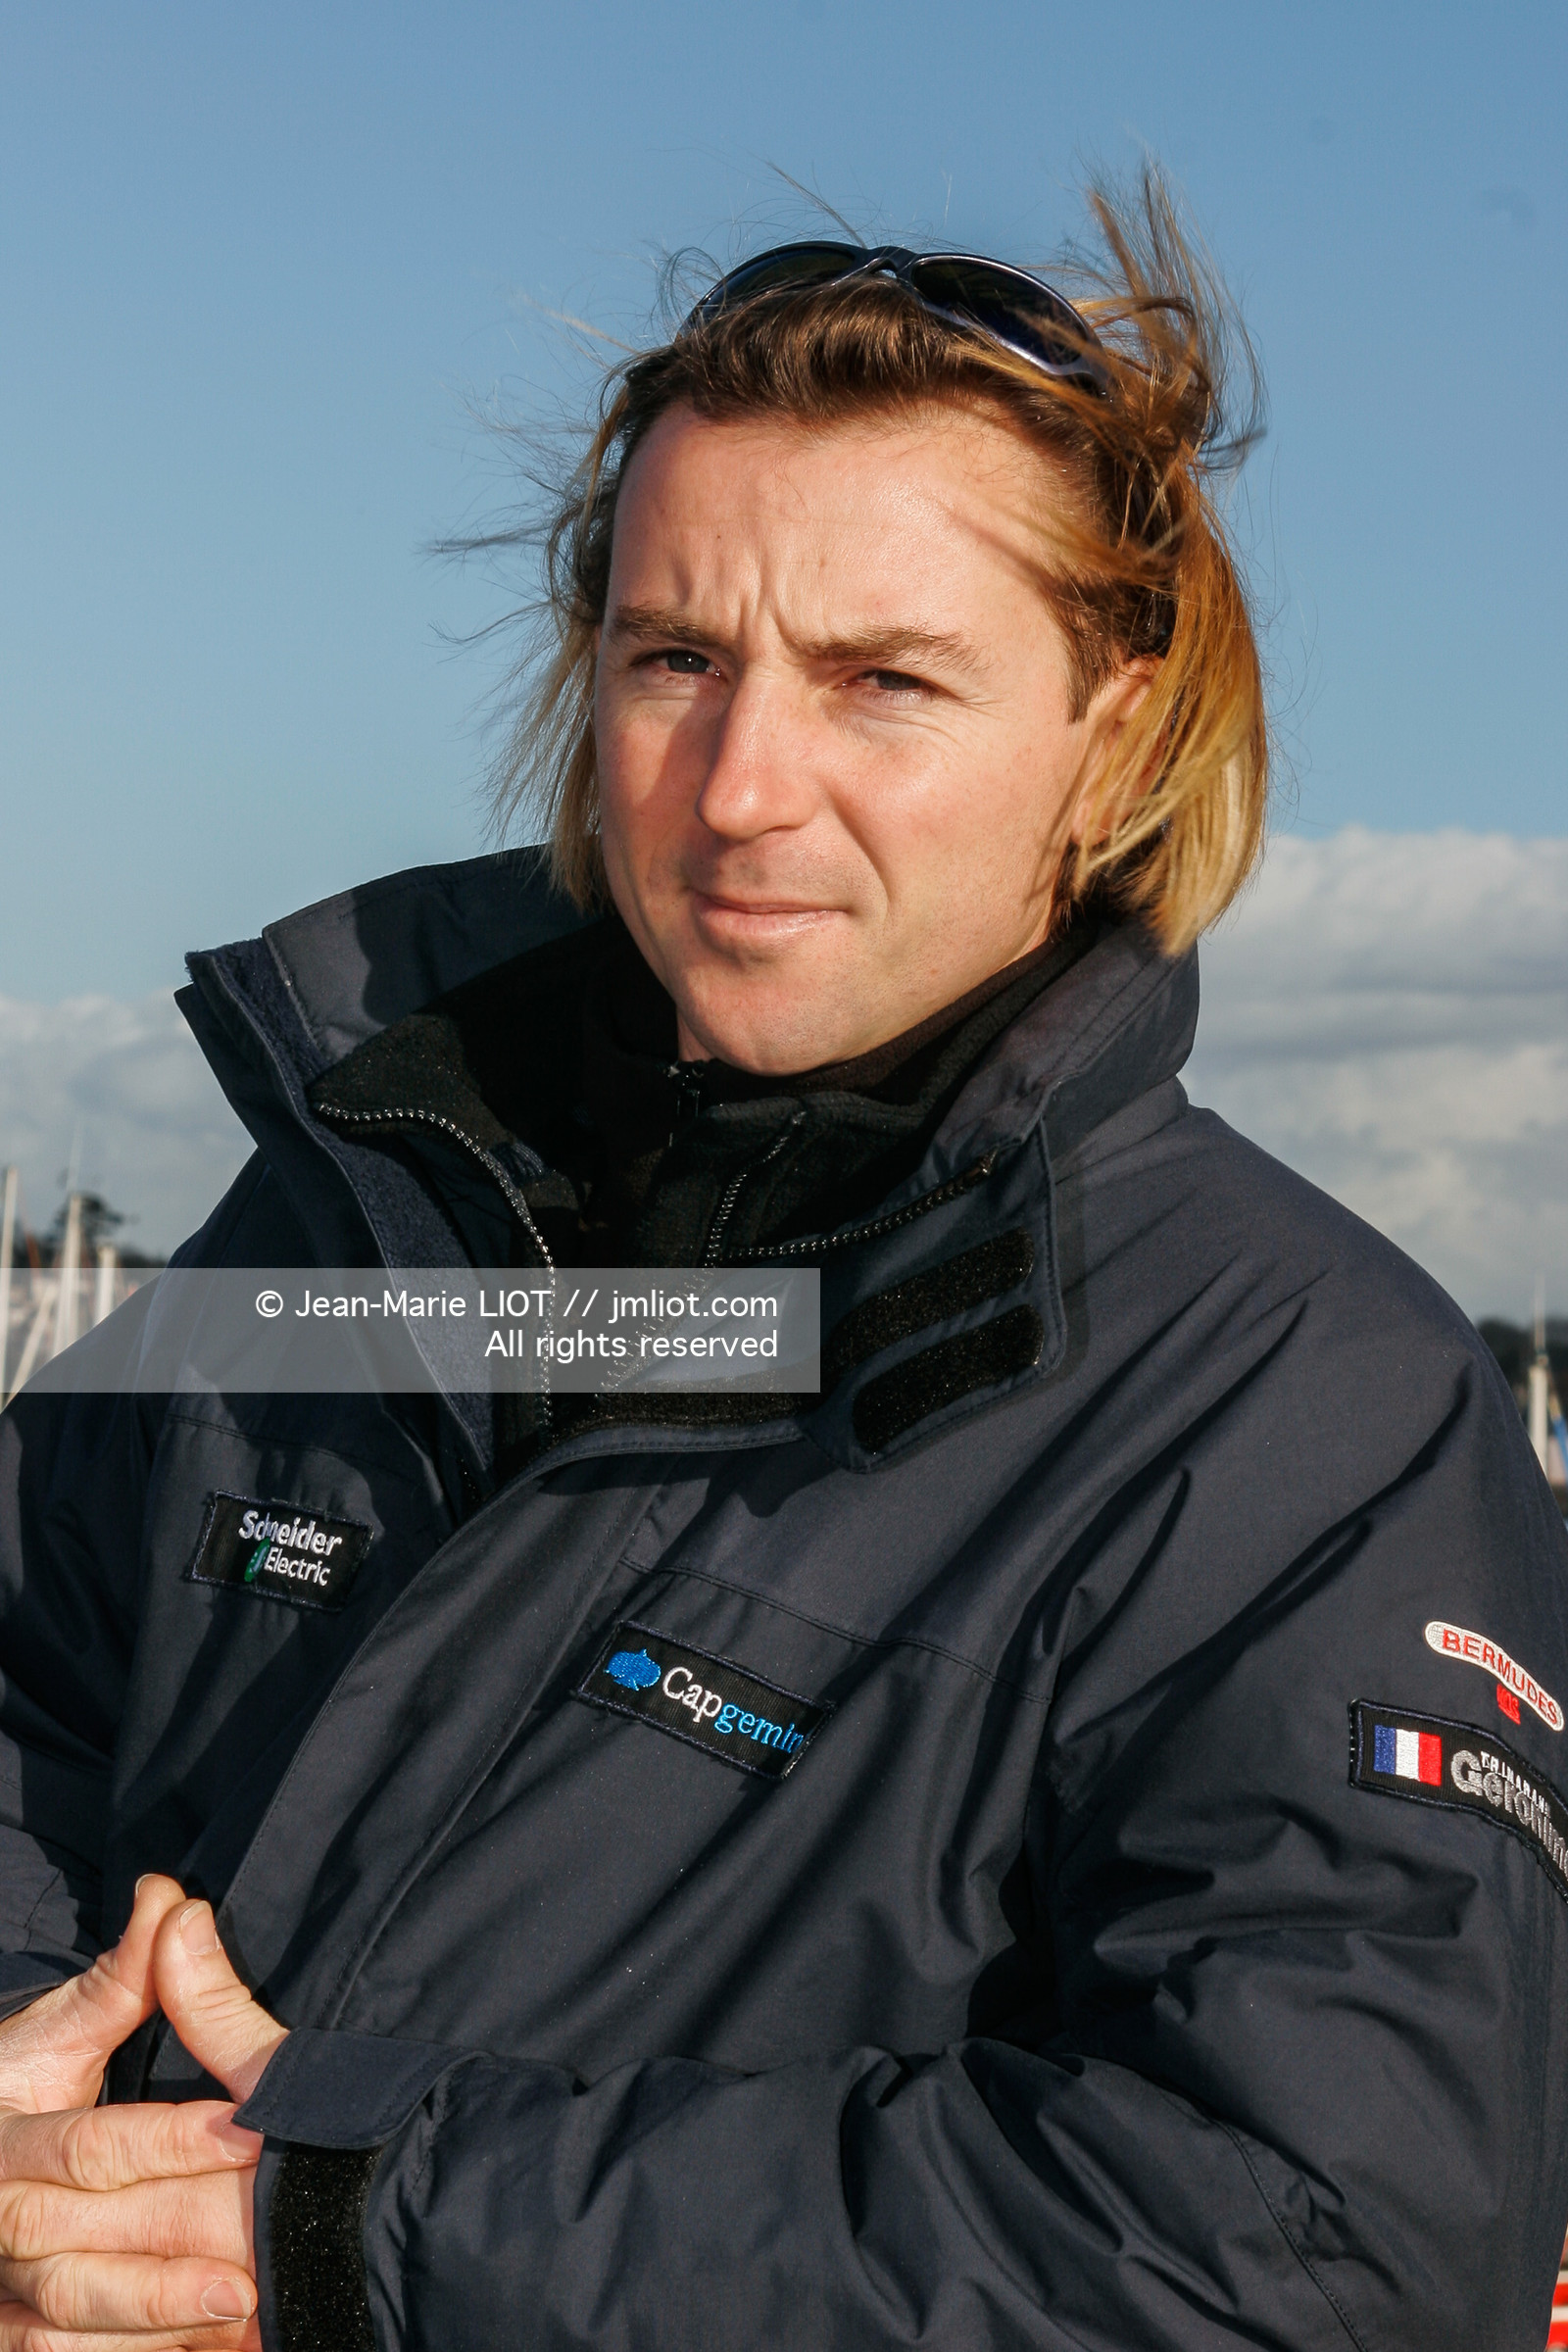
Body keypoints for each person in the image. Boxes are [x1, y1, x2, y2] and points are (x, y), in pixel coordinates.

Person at [0, 175, 1564, 2352]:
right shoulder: (364, 1189)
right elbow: (22, 1682)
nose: (739, 788)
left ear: (1109, 736)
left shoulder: (1302, 1411)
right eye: (676, 658)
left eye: (880, 680)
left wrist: (387, 2233)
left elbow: (1332, 2247)